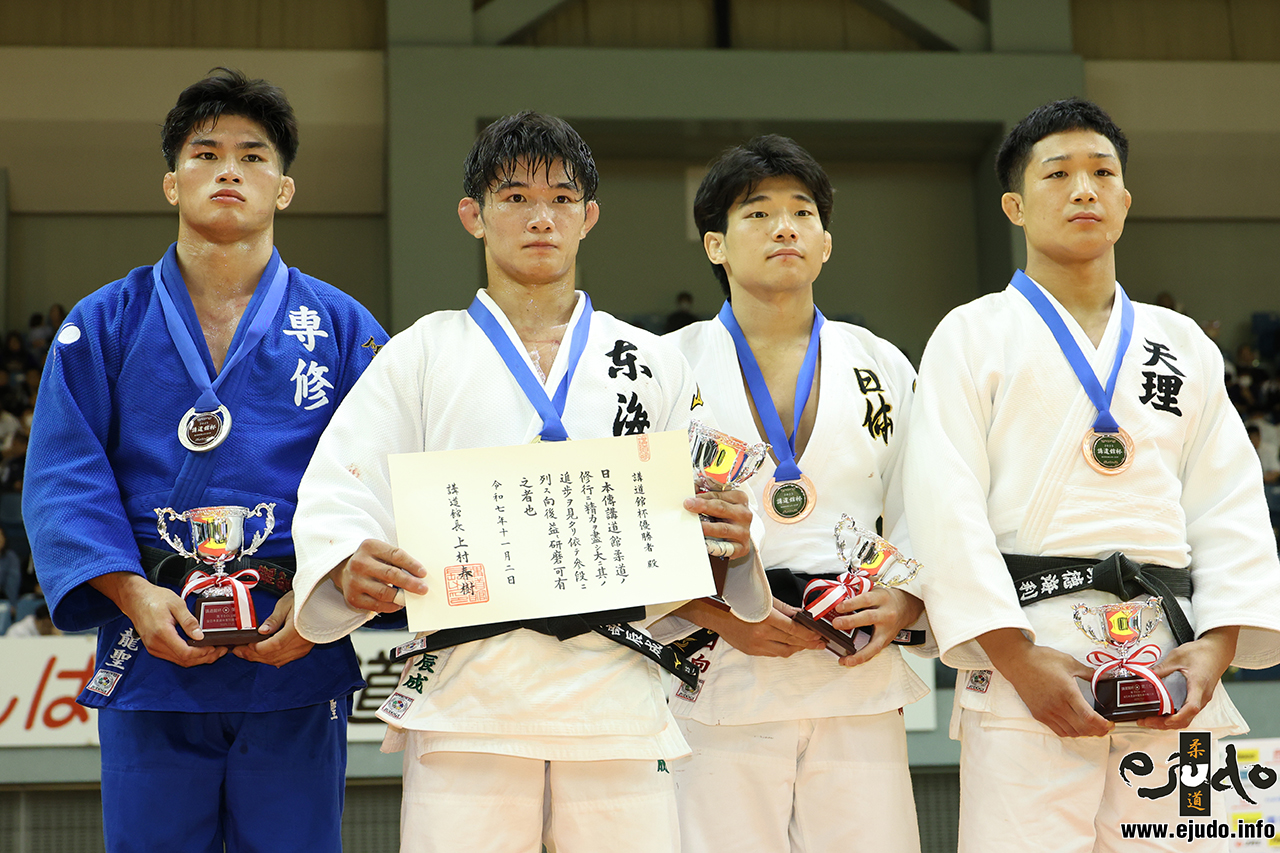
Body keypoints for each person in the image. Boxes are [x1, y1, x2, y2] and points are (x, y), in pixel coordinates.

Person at [289, 110, 770, 853]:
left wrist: (733, 539)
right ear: (472, 216)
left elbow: (708, 518)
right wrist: (348, 556)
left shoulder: (652, 362)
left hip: (617, 694)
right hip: (468, 697)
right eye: (514, 197)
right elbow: (340, 484)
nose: (540, 217)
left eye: (562, 199)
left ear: (590, 217)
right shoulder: (421, 354)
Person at [23, 68, 388, 853]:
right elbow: (63, 476)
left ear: (284, 189)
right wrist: (129, 593)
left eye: (254, 156)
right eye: (206, 152)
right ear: (171, 181)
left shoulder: (342, 327)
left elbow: (385, 478)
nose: (229, 169)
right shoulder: (103, 323)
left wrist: (324, 600)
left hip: (296, 651)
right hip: (151, 649)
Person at [903, 97, 1280, 852]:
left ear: (1126, 198)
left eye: (1102, 172)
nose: (1084, 189)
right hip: (1030, 660)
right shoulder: (970, 334)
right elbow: (945, 508)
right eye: (1060, 173)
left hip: (1176, 666)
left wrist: (1216, 648)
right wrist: (1016, 658)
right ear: (1014, 204)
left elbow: (1231, 505)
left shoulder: (1184, 346)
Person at [660, 135, 929, 853]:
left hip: (855, 669)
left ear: (827, 243)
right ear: (714, 245)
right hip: (717, 668)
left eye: (802, 211)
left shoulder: (882, 363)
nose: (785, 227)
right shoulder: (665, 367)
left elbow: (924, 508)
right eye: (758, 213)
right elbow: (638, 530)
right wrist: (717, 614)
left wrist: (907, 603)